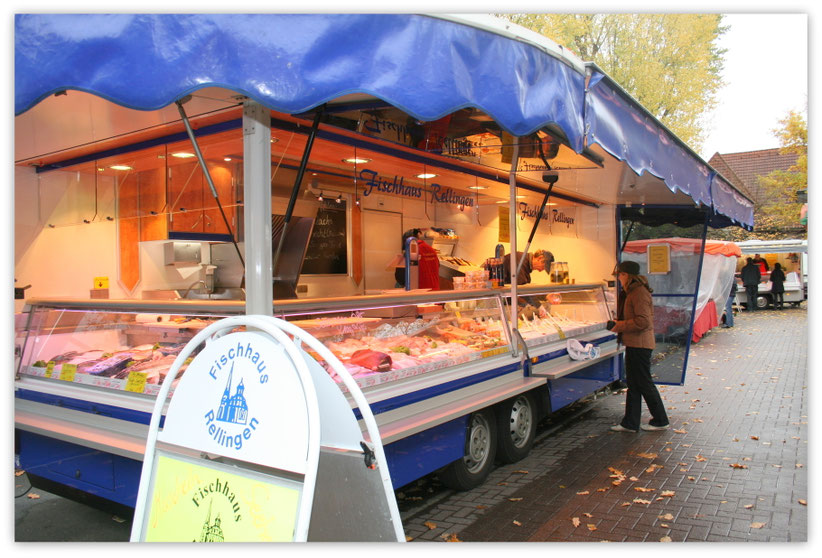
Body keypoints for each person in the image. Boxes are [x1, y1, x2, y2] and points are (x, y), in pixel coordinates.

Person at [607, 260, 669, 433]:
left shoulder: (638, 293)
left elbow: (643, 322)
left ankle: (660, 419)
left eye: (619, 275)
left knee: (644, 383)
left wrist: (618, 325)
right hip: (635, 343)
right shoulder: (633, 291)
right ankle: (630, 423)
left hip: (640, 345)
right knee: (634, 384)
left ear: (626, 275)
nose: (618, 278)